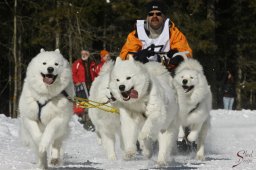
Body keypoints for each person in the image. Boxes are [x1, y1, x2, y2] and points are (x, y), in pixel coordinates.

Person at [119, 0, 192, 71]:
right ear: (147, 18)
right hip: (142, 73)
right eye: (151, 14)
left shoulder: (173, 33)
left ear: (164, 17)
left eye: (158, 14)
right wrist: (136, 57)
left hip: (168, 73)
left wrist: (178, 57)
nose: (154, 16)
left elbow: (185, 52)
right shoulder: (136, 35)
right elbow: (124, 56)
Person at [72, 50, 97, 131]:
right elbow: (73, 73)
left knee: (91, 101)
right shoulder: (77, 63)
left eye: (86, 54)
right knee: (83, 101)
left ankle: (90, 119)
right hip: (81, 85)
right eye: (82, 54)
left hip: (91, 85)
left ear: (88, 55)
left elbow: (95, 73)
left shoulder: (92, 63)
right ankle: (83, 118)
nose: (84, 55)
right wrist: (77, 81)